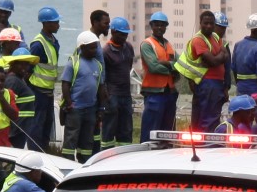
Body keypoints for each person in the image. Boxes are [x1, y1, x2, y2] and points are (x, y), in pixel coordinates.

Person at [176, 10, 229, 131]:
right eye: (205, 23)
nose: (208, 26)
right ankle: (206, 145)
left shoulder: (215, 37)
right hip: (206, 83)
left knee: (214, 117)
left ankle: (211, 143)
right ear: (200, 23)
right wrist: (219, 57)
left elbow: (225, 55)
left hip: (216, 83)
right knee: (207, 118)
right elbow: (213, 61)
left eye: (211, 23)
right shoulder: (198, 40)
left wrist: (218, 57)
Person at [59, 30, 106, 162]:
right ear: (82, 47)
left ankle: (84, 162)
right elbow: (65, 84)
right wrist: (69, 103)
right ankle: (67, 162)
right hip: (75, 109)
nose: (95, 50)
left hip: (90, 109)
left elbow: (101, 87)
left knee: (87, 140)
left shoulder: (98, 65)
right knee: (71, 138)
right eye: (91, 47)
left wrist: (101, 108)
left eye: (95, 47)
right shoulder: (73, 63)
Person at [25, 7, 63, 150]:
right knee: (36, 128)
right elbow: (28, 70)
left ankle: (44, 155)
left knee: (47, 127)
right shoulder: (38, 44)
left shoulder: (54, 41)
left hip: (48, 92)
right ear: (46, 23)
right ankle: (35, 154)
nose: (58, 25)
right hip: (38, 92)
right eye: (55, 22)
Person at [138, 13, 178, 142]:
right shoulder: (147, 44)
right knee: (151, 131)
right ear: (151, 26)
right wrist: (173, 69)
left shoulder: (169, 45)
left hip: (169, 93)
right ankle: (146, 155)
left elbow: (180, 64)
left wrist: (167, 64)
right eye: (156, 25)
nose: (159, 27)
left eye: (162, 25)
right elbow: (153, 67)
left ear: (166, 26)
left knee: (167, 132)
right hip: (154, 94)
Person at [100, 16, 135, 147]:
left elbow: (128, 66)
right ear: (113, 32)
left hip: (126, 95)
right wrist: (106, 95)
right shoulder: (106, 51)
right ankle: (106, 155)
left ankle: (124, 155)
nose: (124, 37)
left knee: (126, 130)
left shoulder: (128, 48)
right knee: (109, 128)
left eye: (126, 34)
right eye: (121, 34)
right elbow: (103, 76)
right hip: (112, 95)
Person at [231, 14, 257, 112]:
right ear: (256, 30)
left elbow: (234, 69)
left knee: (243, 118)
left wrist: (240, 86)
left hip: (241, 90)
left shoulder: (238, 45)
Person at [0, 54, 39, 148]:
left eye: (26, 64)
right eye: (21, 64)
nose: (24, 67)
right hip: (16, 129)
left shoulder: (20, 80)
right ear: (13, 64)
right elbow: (6, 104)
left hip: (22, 128)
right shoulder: (12, 81)